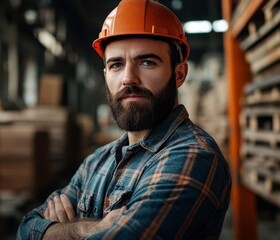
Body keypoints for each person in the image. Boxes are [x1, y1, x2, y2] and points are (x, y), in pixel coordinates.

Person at [17, 0, 232, 239]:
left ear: (179, 73)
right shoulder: (97, 161)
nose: (129, 78)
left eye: (147, 62)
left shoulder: (194, 157)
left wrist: (58, 232)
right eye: (116, 64)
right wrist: (84, 229)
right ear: (106, 75)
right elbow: (26, 228)